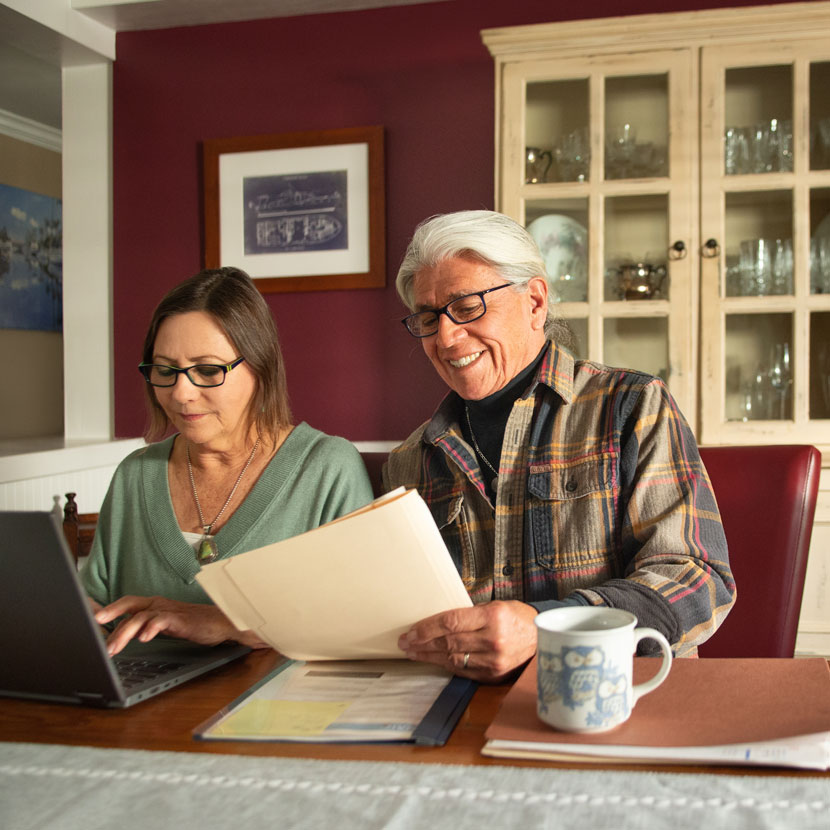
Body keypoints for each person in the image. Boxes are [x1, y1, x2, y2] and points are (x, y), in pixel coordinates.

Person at [386, 210, 736, 683]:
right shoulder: (411, 460)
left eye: (466, 307)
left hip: (618, 699)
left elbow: (697, 580)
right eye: (429, 317)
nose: (446, 337)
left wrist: (553, 626)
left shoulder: (631, 406)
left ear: (534, 302)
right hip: (464, 709)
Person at [81, 267, 374, 655]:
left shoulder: (327, 469)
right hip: (135, 712)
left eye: (206, 370)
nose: (181, 393)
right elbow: (95, 610)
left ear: (260, 366)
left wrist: (226, 623)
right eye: (165, 371)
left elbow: (364, 622)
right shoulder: (134, 475)